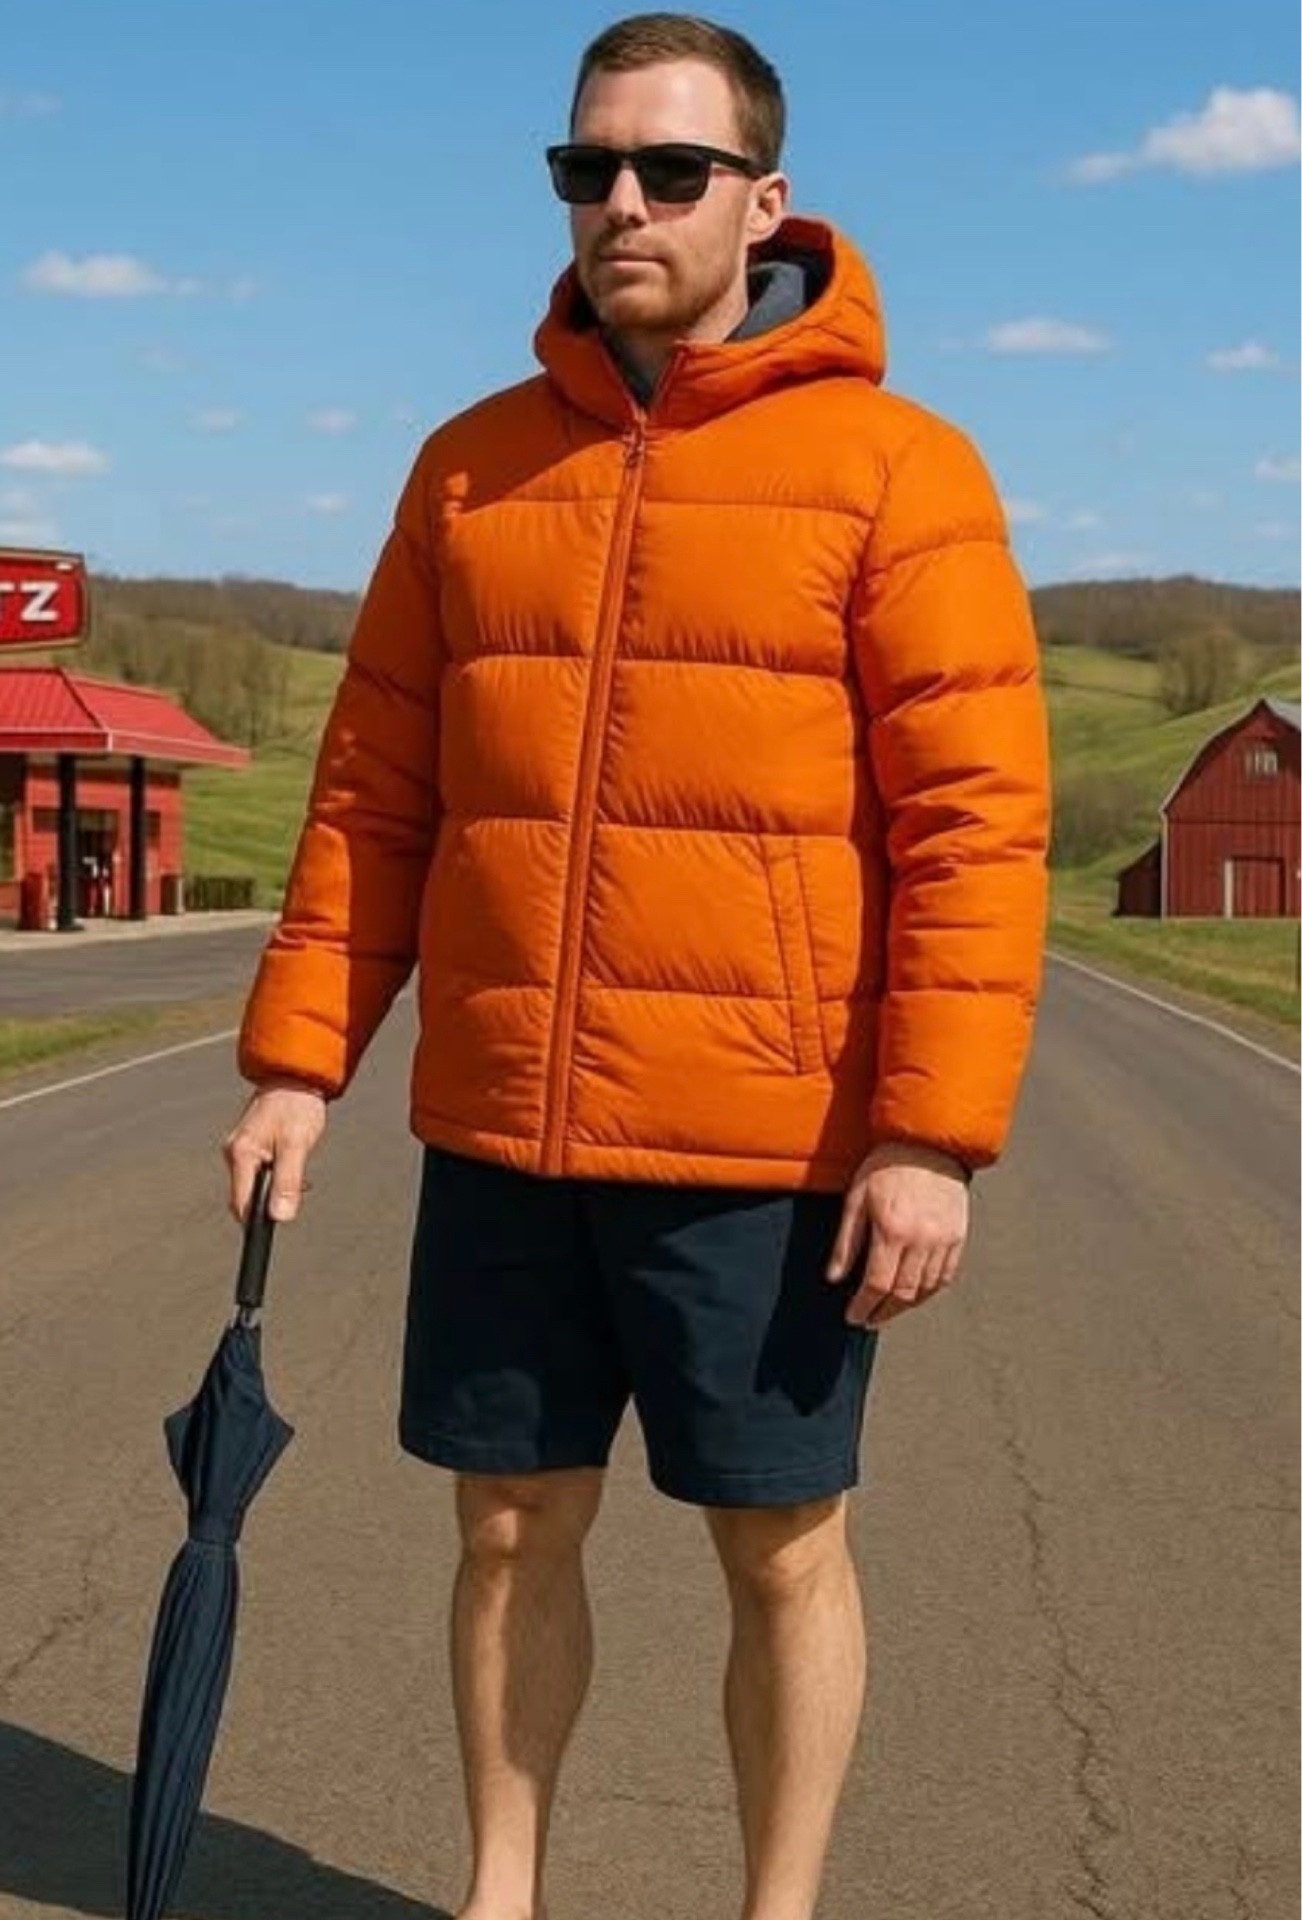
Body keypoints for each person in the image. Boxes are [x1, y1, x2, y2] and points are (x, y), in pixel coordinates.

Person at [224, 14, 1050, 1920]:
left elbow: (973, 830)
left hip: (765, 1142)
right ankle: (501, 1896)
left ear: (764, 202)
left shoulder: (897, 469)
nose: (622, 203)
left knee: (779, 1547)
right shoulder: (469, 470)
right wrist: (295, 1064)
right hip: (505, 1128)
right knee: (508, 1526)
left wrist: (927, 1135)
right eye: (585, 167)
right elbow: (374, 792)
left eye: (671, 170)